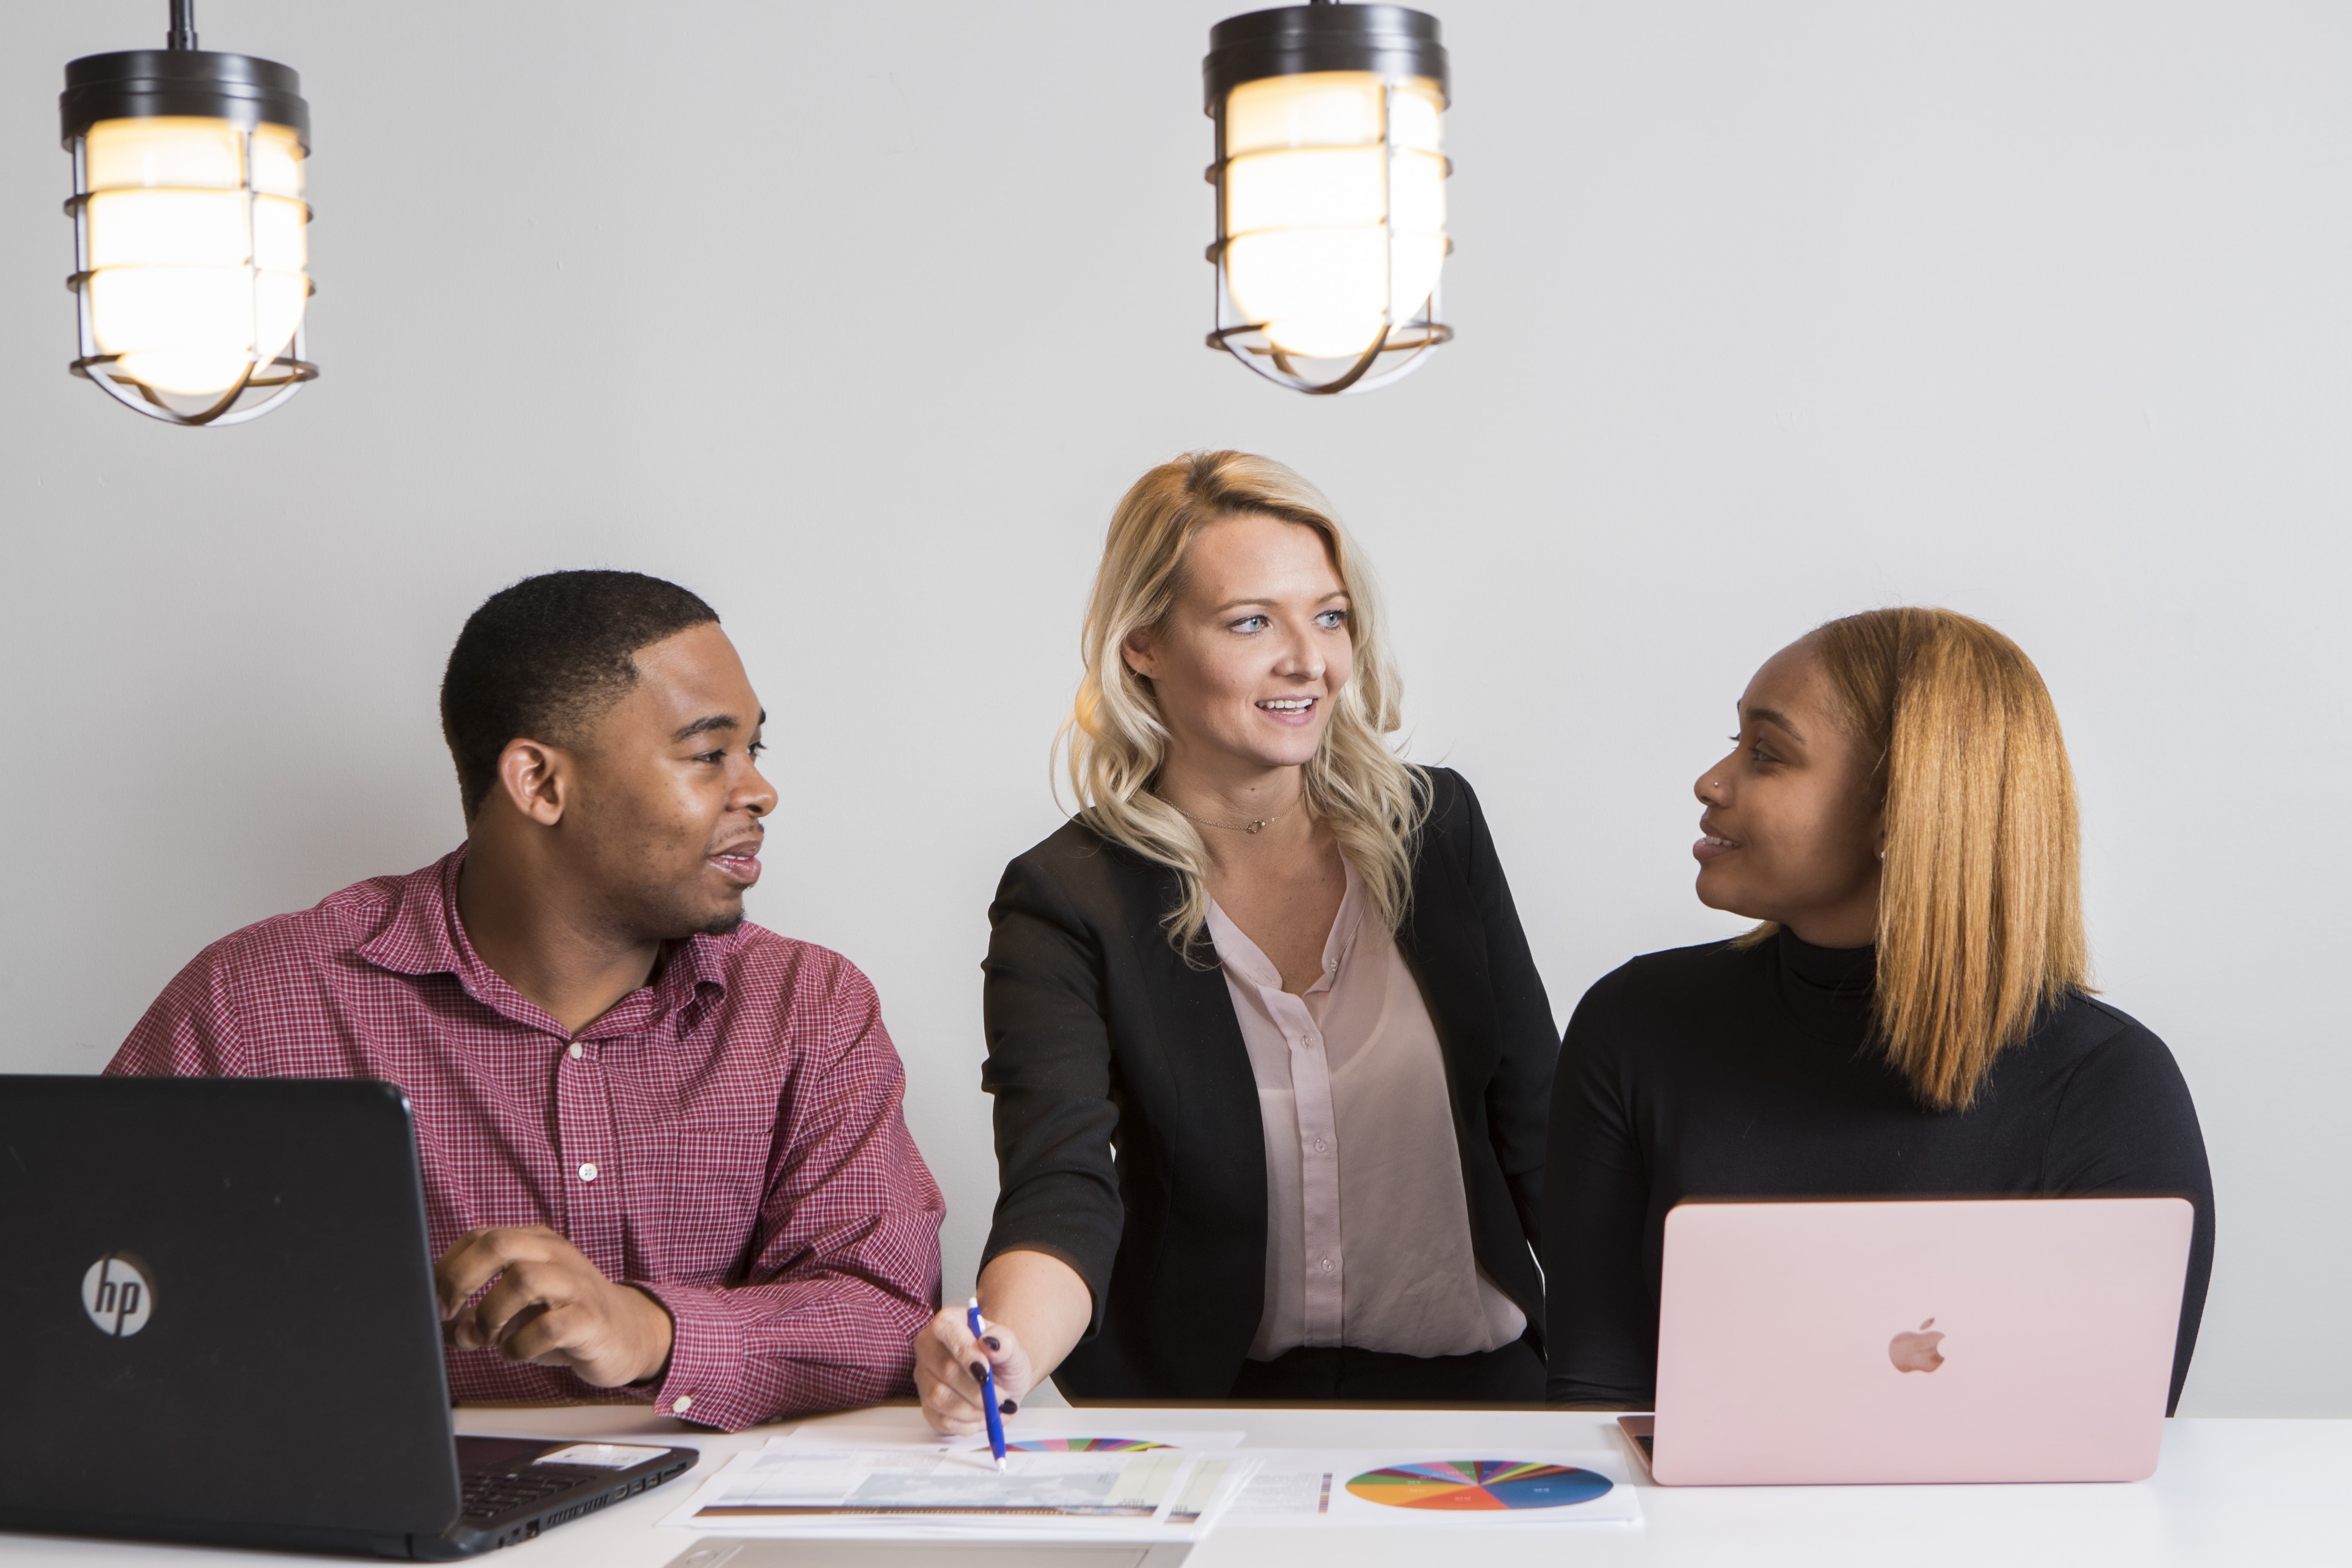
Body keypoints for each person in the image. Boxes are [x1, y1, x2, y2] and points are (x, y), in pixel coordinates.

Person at [108, 570, 945, 1432]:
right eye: (708, 755)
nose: (759, 792)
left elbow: (887, 1318)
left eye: (753, 752)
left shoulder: (807, 1007)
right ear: (539, 784)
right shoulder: (259, 1002)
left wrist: (649, 1330)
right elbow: (81, 1287)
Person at [916, 451, 1558, 1430]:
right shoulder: (1066, 896)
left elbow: (1541, 1134)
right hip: (1200, 1417)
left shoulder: (1439, 833)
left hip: (1477, 1403)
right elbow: (1063, 1185)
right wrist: (1004, 1351)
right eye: (1251, 621)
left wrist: (1645, 1372)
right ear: (1145, 645)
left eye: (1330, 615)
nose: (1310, 661)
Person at [1543, 606, 2215, 1412]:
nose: (1712, 782)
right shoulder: (1634, 1026)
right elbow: (1596, 1410)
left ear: (1899, 812)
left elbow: (2109, 1442)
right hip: (1690, 1542)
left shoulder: (2111, 1088)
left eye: (1767, 754)